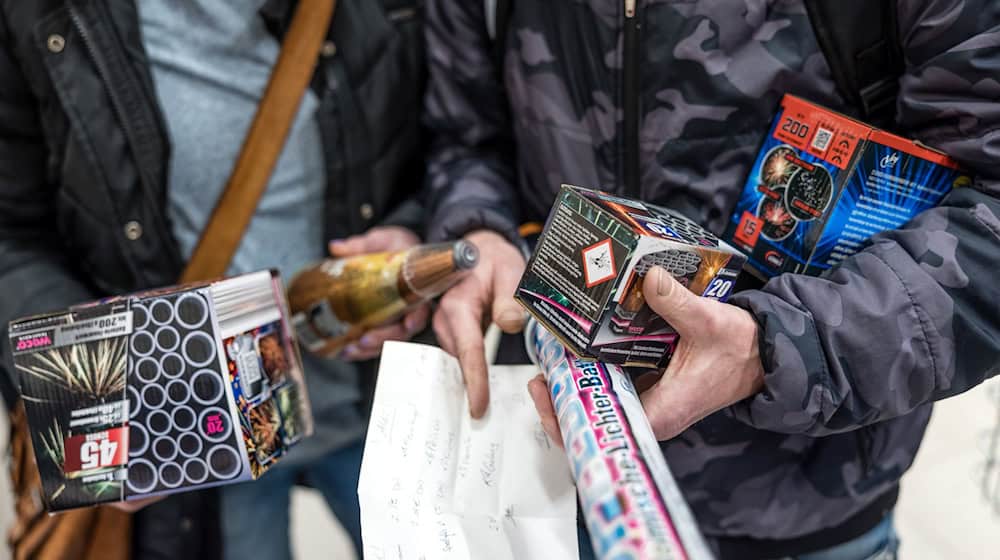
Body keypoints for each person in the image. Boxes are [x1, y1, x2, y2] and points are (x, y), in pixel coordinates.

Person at [423, 1, 1000, 558]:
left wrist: (776, 347)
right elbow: (466, 134)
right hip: (565, 482)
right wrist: (479, 233)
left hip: (806, 497)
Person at [0, 1, 427, 558]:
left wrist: (416, 234)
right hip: (193, 439)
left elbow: (466, 127)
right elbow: (11, 228)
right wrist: (88, 392)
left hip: (382, 396)